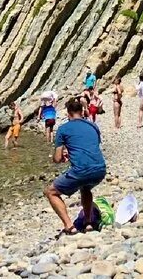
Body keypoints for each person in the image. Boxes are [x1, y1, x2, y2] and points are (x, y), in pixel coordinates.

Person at [44, 97, 107, 234]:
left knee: (51, 192)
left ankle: (69, 226)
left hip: (82, 170)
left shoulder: (63, 129)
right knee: (85, 188)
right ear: (82, 111)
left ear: (68, 113)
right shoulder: (93, 126)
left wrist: (61, 158)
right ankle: (88, 222)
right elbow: (89, 147)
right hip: (100, 169)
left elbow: (58, 158)